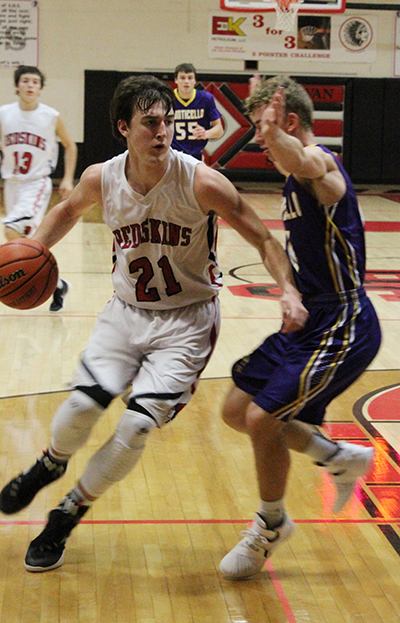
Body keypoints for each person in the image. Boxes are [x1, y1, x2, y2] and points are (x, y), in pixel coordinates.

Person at [0, 74, 308, 572]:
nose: (162, 132)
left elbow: (264, 239)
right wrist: (33, 250)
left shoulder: (201, 180)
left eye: (166, 122)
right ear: (125, 128)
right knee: (82, 406)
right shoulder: (103, 177)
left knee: (136, 424)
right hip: (125, 312)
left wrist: (288, 291)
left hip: (186, 323)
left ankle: (66, 514)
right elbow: (69, 210)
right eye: (150, 123)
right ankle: (50, 462)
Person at [219, 75, 382, 580]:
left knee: (264, 421)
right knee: (235, 409)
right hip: (310, 316)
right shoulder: (293, 180)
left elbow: (304, 161)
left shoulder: (322, 165)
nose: (261, 144)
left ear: (289, 122)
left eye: (264, 132)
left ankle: (270, 526)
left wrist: (278, 137)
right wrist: (288, 291)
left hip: (345, 320)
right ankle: (337, 457)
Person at [0, 65, 77, 311]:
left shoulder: (50, 116)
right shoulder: (3, 114)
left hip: (37, 183)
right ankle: (57, 285)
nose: (30, 85)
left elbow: (70, 145)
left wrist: (67, 179)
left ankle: (42, 281)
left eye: (35, 82)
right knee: (27, 243)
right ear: (16, 86)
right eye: (25, 81)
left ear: (41, 88)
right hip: (11, 184)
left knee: (11, 229)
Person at [171, 63, 224, 160]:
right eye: (182, 78)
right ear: (176, 80)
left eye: (190, 78)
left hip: (195, 154)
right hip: (172, 153)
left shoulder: (206, 98)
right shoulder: (168, 98)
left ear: (195, 81)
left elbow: (219, 130)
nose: (186, 82)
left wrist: (205, 133)